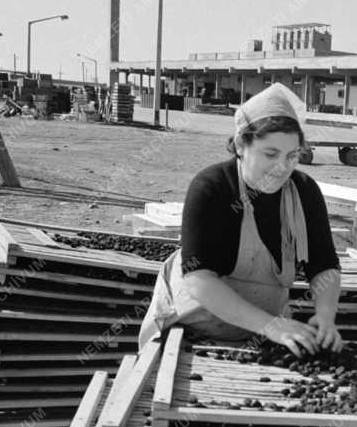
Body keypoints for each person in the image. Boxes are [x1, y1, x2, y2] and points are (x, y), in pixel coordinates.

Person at [139, 83, 343, 356]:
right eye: (270, 154)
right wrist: (271, 326)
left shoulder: (304, 191)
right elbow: (198, 278)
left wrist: (325, 315)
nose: (282, 167)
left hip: (263, 335)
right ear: (240, 146)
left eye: (292, 156)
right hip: (190, 330)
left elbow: (325, 265)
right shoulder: (212, 187)